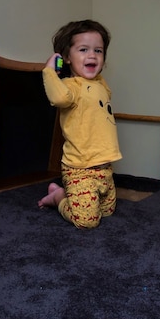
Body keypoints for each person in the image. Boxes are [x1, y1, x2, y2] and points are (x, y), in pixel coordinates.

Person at [37, 19, 122, 228]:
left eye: (98, 51)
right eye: (83, 50)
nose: (92, 55)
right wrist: (49, 72)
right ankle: (58, 197)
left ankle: (74, 195)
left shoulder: (100, 83)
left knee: (107, 211)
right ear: (66, 57)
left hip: (104, 165)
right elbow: (58, 98)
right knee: (87, 221)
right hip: (80, 168)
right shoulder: (70, 86)